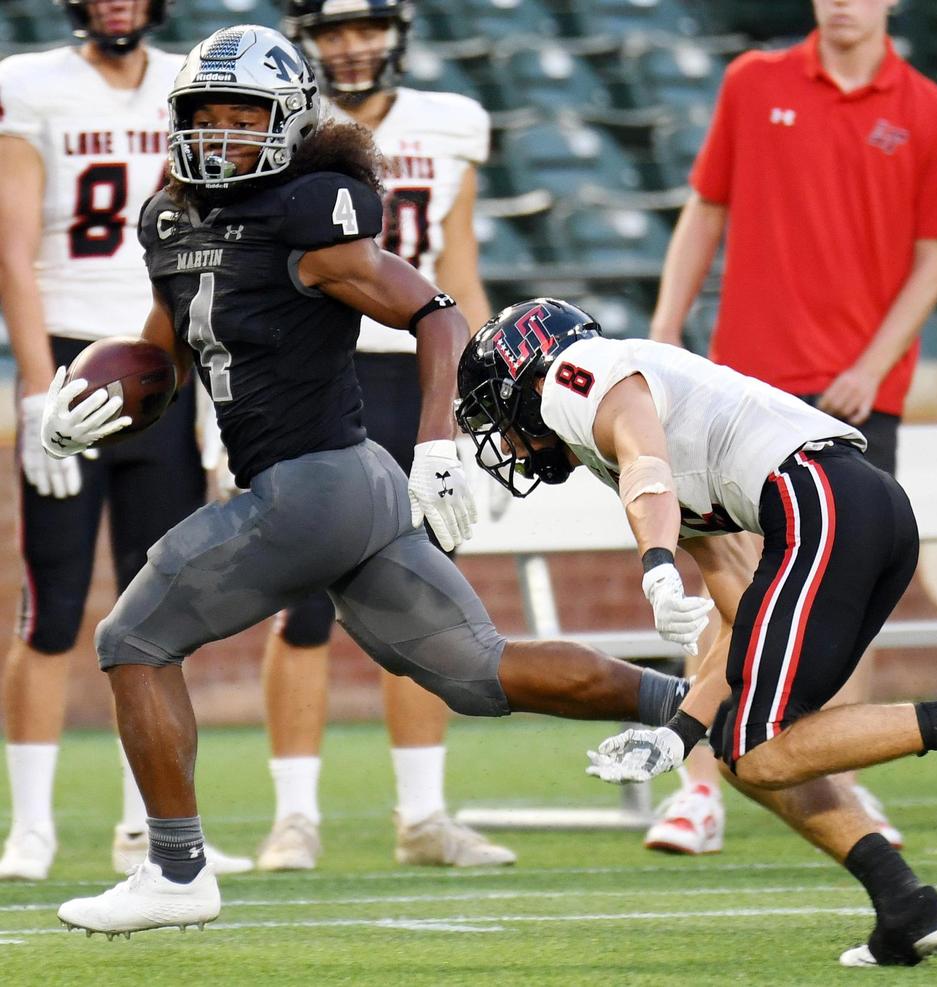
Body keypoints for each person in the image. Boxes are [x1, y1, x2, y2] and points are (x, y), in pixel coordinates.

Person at [48, 25, 689, 938]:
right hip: (352, 492)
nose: (222, 132)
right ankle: (704, 706)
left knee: (132, 640)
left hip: (313, 486)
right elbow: (166, 356)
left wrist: (440, 444)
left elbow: (438, 314)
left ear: (290, 122)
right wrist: (89, 406)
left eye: (245, 115)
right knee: (478, 670)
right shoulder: (171, 220)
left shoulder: (309, 213)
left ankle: (176, 868)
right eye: (207, 113)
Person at [454, 298, 937, 967]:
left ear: (527, 377)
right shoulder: (613, 449)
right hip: (853, 509)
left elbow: (645, 459)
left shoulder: (573, 375)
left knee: (760, 747)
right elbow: (739, 615)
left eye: (498, 413)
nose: (505, 442)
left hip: (819, 500)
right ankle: (904, 904)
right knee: (742, 745)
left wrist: (657, 563)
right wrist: (680, 733)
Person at [646, 0, 937, 854]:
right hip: (741, 395)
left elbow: (935, 255)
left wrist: (872, 364)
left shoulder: (931, 110)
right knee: (726, 577)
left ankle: (841, 787)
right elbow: (705, 208)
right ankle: (697, 788)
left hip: (855, 402)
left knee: (844, 594)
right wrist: (666, 329)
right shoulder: (753, 83)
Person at [248, 0, 512, 874]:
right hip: (313, 372)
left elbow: (460, 267)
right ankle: (294, 817)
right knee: (301, 602)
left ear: (396, 31)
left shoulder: (452, 121)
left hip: (418, 374)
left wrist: (478, 401)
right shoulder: (283, 127)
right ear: (308, 41)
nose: (352, 46)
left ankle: (424, 814)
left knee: (422, 595)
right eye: (333, 32)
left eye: (365, 27)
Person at [0, 0, 250, 880]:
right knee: (52, 605)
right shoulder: (30, 83)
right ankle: (30, 826)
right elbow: (13, 247)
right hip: (73, 360)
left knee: (161, 615)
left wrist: (214, 393)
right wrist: (39, 388)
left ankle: (151, 823)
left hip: (164, 361)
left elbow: (219, 240)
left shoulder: (192, 84)